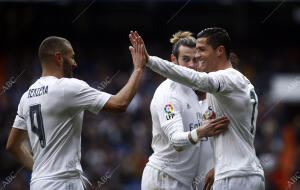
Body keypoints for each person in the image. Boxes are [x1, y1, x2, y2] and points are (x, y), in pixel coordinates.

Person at [129, 28, 265, 190]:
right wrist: (217, 166)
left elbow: (197, 80)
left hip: (234, 177)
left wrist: (150, 61)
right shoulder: (172, 94)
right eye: (187, 58)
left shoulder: (226, 79)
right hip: (168, 177)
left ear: (220, 51)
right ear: (174, 60)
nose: (196, 59)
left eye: (201, 50)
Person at [6, 36, 146, 190]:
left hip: (38, 183)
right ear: (59, 57)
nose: (75, 63)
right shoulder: (67, 87)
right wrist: (138, 69)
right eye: (71, 57)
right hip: (64, 183)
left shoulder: (26, 96)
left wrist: (40, 171)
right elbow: (120, 103)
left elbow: (12, 145)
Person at [140, 31, 229, 190]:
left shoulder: (195, 92)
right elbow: (176, 141)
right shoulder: (168, 94)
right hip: (164, 179)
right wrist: (201, 132)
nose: (192, 65)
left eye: (195, 59)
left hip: (185, 182)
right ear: (173, 61)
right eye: (186, 59)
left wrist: (219, 165)